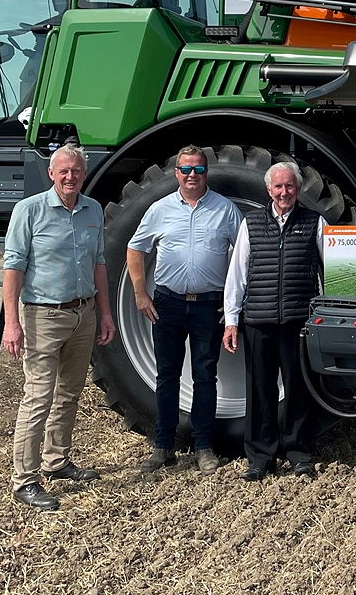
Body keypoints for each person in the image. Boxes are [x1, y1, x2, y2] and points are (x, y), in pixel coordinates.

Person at [1, 144, 116, 512]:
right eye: (64, 171)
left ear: (84, 174)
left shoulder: (92, 210)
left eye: (77, 171)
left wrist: (106, 314)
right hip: (43, 317)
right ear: (51, 174)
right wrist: (11, 324)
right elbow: (13, 268)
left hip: (83, 314)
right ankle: (25, 480)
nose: (71, 177)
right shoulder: (30, 211)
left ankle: (57, 461)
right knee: (38, 397)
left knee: (69, 393)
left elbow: (99, 263)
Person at [126, 146, 243, 475]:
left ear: (207, 172)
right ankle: (163, 446)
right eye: (186, 169)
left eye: (199, 170)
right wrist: (139, 293)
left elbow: (244, 256)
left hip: (209, 306)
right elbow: (135, 248)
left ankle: (204, 446)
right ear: (176, 172)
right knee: (167, 377)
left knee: (205, 377)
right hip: (167, 304)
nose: (192, 175)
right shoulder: (159, 209)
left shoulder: (226, 210)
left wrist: (233, 302)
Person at [223, 161, 327, 480]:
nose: (284, 192)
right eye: (278, 187)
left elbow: (333, 270)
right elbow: (237, 275)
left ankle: (297, 451)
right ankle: (260, 456)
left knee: (298, 389)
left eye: (290, 186)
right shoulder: (251, 223)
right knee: (260, 390)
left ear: (298, 189)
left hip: (298, 320)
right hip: (258, 320)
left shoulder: (314, 221)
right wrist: (231, 320)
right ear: (269, 190)